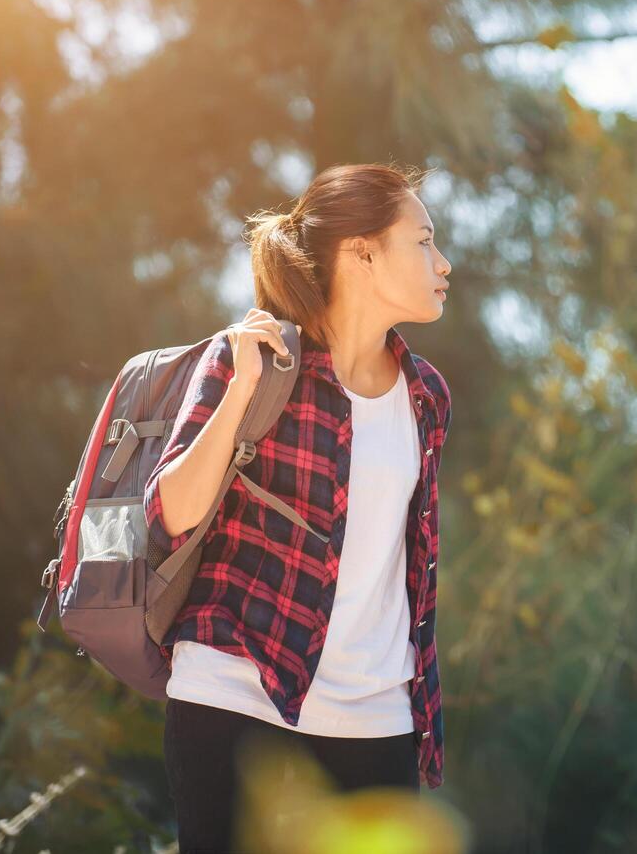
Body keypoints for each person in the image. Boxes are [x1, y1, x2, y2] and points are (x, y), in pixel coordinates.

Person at [143, 163, 454, 852]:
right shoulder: (256, 361)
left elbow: (409, 568)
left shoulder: (425, 395)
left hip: (376, 716)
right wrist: (239, 389)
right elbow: (169, 514)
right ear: (362, 251)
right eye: (424, 241)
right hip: (234, 692)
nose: (443, 262)